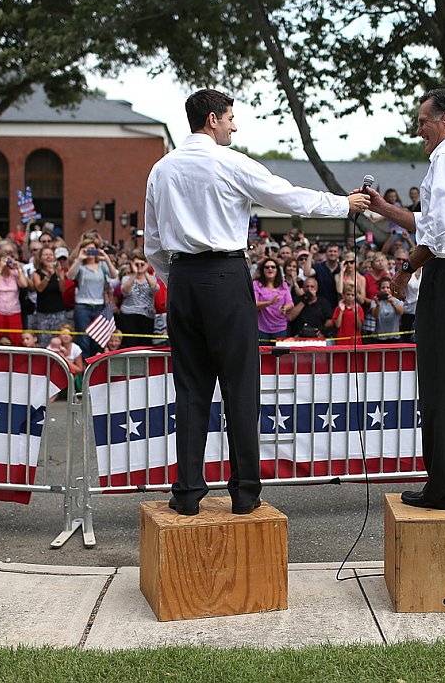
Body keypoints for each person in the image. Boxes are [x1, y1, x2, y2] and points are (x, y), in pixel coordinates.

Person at [143, 88, 369, 516]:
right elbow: (288, 196)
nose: (234, 124)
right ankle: (245, 493)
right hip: (226, 276)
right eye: (230, 117)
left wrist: (179, 279)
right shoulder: (230, 162)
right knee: (240, 387)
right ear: (212, 120)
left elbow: (152, 241)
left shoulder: (161, 168)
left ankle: (187, 491)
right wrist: (344, 203)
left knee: (190, 389)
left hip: (184, 280)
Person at [366, 88, 445, 511]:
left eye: (424, 120)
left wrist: (404, 271)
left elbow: (439, 233)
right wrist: (385, 209)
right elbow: (431, 221)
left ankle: (442, 488)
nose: (418, 128)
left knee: (439, 383)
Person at [0, 248, 29, 345]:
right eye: (4, 259)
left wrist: (19, 268)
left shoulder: (15, 273)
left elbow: (24, 285)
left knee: (14, 340)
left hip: (13, 312)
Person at [117, 254, 159, 348]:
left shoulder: (151, 278)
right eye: (137, 264)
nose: (139, 266)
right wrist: (135, 273)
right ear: (132, 264)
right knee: (130, 344)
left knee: (145, 344)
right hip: (129, 314)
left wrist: (145, 271)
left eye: (142, 264)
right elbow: (126, 291)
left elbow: (154, 287)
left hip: (147, 315)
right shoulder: (126, 278)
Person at [253, 257, 294, 344]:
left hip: (280, 328)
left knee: (279, 357)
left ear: (277, 270)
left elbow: (290, 303)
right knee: (263, 356)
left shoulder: (283, 285)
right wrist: (269, 302)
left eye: (273, 267)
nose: (270, 269)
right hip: (262, 328)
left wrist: (285, 307)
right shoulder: (256, 284)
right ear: (263, 270)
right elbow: (254, 304)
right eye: (267, 267)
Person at [370, 276, 404, 343]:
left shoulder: (397, 300)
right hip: (379, 337)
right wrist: (378, 305)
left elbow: (401, 312)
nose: (385, 290)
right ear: (379, 289)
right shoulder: (375, 301)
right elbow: (374, 315)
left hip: (394, 336)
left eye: (388, 287)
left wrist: (393, 303)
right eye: (383, 288)